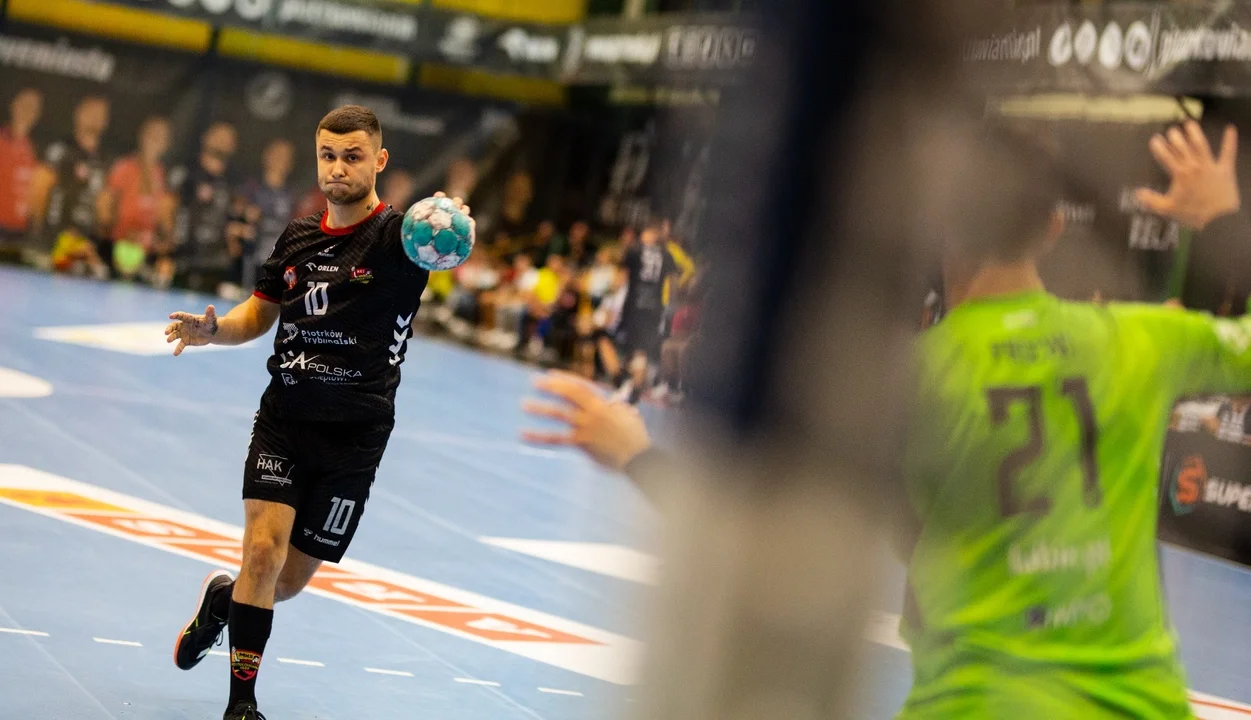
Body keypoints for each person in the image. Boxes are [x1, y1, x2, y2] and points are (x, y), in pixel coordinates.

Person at [523, 119, 1251, 719]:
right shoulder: (1136, 341)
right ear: (1055, 228)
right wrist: (1222, 219)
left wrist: (635, 454)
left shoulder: (909, 381)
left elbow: (771, 539)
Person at [164, 105, 472, 720]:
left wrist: (452, 212)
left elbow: (442, 230)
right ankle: (242, 706)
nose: (337, 168)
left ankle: (223, 602)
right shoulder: (298, 238)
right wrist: (214, 330)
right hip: (286, 419)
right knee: (262, 553)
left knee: (284, 583)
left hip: (356, 437)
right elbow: (259, 314)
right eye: (327, 155)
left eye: (352, 156)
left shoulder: (401, 238)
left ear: (379, 160)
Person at [29, 95, 111, 276]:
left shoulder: (103, 160)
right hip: (53, 237)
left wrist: (100, 232)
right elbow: (39, 187)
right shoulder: (61, 150)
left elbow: (102, 203)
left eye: (100, 114)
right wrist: (37, 229)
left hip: (84, 242)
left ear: (106, 122)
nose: (95, 118)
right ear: (78, 114)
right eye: (90, 112)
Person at [614, 219, 681, 403]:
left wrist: (613, 291)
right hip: (654, 309)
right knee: (641, 350)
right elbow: (674, 283)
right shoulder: (667, 255)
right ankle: (633, 386)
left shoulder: (635, 250)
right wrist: (672, 304)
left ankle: (632, 386)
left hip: (634, 305)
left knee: (633, 349)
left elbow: (620, 279)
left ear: (651, 234)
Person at [98, 116, 172, 281]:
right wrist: (116, 235)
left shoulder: (162, 174)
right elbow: (105, 208)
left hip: (148, 257)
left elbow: (165, 221)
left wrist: (163, 245)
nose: (155, 141)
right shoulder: (124, 168)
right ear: (142, 137)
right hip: (118, 251)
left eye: (161, 137)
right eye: (152, 135)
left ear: (166, 144)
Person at [169, 121, 238, 293]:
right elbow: (167, 207)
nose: (222, 142)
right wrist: (166, 250)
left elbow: (231, 219)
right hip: (183, 262)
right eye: (218, 136)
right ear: (205, 138)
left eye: (228, 139)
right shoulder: (186, 173)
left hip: (216, 267)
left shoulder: (231, 183)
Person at [0, 88, 43, 249]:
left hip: (20, 232)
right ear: (13, 105)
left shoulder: (36, 149)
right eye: (24, 104)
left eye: (33, 107)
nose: (27, 110)